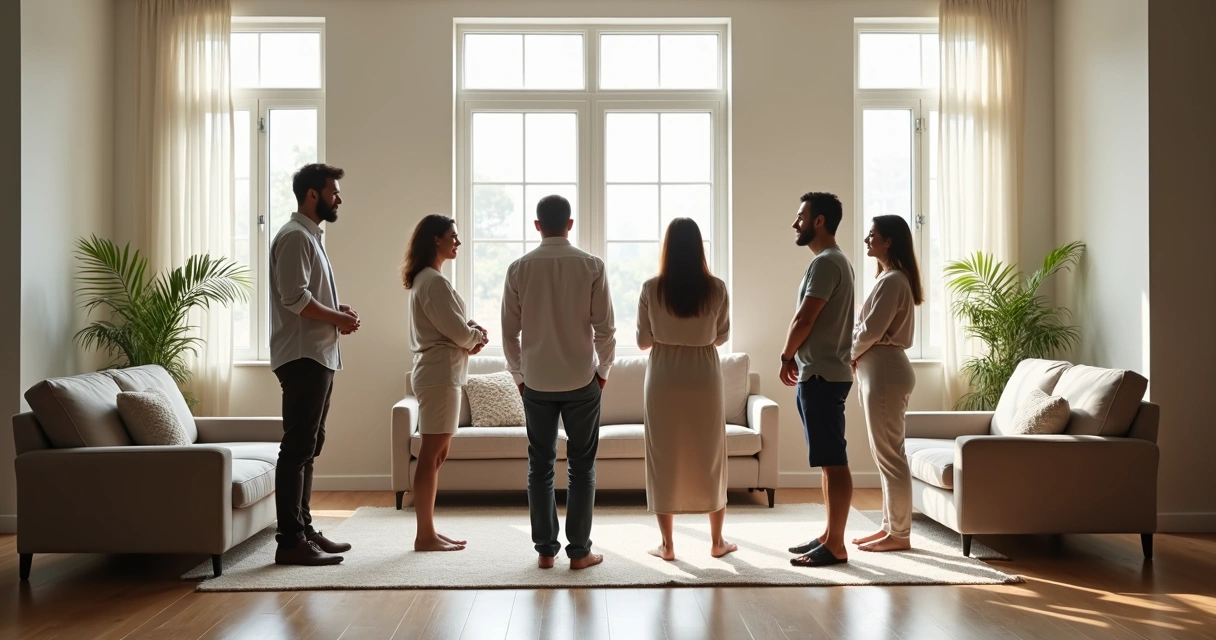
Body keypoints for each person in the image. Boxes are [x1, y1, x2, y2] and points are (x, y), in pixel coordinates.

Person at [502, 194, 616, 570]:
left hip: (536, 383)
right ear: (570, 224)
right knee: (582, 467)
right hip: (582, 380)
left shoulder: (518, 268)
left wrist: (519, 376)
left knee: (540, 465)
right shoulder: (592, 266)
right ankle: (580, 552)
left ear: (537, 225)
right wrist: (603, 372)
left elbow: (509, 333)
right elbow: (606, 329)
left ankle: (545, 551)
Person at [269, 163, 359, 566]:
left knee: (309, 445)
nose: (338, 198)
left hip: (318, 354)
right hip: (304, 356)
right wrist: (337, 318)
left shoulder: (309, 237)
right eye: (333, 191)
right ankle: (290, 541)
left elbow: (306, 295)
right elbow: (295, 299)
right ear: (312, 195)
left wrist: (335, 310)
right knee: (298, 446)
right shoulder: (294, 238)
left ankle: (303, 529)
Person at [637, 218, 737, 561]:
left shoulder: (651, 288)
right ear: (699, 248)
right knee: (710, 455)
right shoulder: (717, 289)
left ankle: (667, 545)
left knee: (663, 456)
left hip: (663, 376)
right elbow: (721, 336)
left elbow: (642, 342)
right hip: (704, 376)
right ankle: (717, 541)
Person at [402, 214, 489, 552]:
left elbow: (451, 327)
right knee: (431, 455)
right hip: (439, 375)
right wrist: (474, 335)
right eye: (452, 236)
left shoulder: (428, 280)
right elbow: (456, 332)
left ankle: (429, 531)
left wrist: (470, 333)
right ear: (435, 239)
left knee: (435, 456)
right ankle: (425, 535)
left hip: (440, 373)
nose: (458, 241)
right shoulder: (433, 282)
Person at [781, 191, 856, 568]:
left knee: (835, 461)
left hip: (823, 375)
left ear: (819, 221)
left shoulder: (827, 263)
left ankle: (837, 545)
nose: (795, 223)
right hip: (821, 373)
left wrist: (785, 353)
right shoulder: (831, 261)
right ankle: (829, 536)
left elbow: (805, 318)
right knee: (828, 461)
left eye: (801, 216)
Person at [850, 215, 921, 552]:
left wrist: (848, 354)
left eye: (872, 234)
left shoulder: (893, 280)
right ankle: (888, 526)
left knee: (891, 456)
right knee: (885, 455)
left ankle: (900, 534)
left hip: (885, 372)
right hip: (879, 371)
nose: (867, 239)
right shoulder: (889, 279)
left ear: (888, 241)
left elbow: (871, 331)